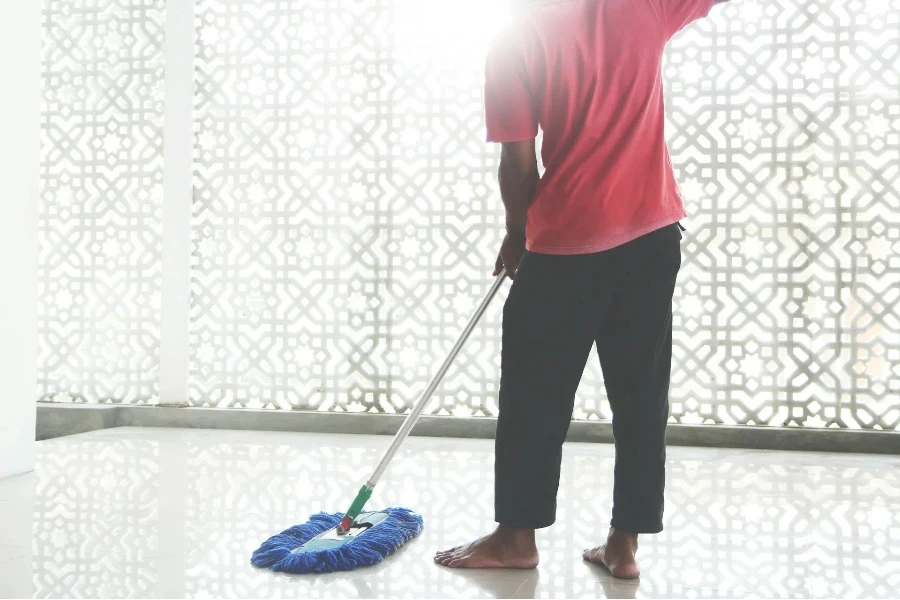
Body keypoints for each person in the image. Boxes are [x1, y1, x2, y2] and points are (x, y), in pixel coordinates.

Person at [434, 0, 729, 579]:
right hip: (651, 237)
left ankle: (516, 538)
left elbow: (518, 165)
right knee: (642, 396)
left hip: (566, 243)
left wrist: (517, 234)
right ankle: (624, 547)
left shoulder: (515, 37)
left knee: (533, 395)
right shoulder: (644, 8)